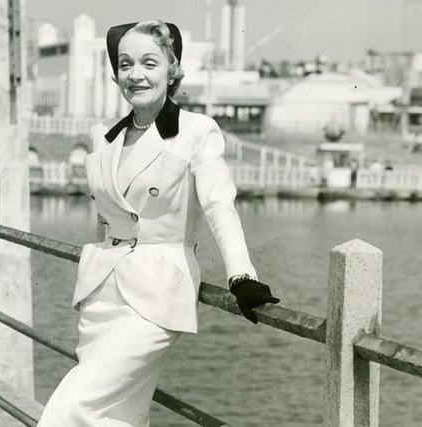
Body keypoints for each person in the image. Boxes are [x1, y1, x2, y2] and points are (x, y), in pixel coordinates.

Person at [37, 20, 279, 426]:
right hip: (101, 296)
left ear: (172, 68)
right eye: (125, 63)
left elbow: (220, 204)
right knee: (119, 418)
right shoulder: (104, 137)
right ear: (115, 74)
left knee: (71, 408)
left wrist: (241, 276)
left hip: (156, 298)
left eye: (149, 62)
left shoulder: (196, 132)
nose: (136, 74)